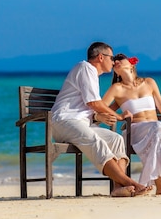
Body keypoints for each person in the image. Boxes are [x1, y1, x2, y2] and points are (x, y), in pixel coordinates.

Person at [50, 42, 151, 197]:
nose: (113, 62)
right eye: (111, 58)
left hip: (80, 123)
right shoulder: (85, 68)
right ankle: (131, 183)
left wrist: (97, 116)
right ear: (100, 57)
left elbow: (86, 108)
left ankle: (118, 187)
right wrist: (118, 116)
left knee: (116, 139)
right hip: (64, 121)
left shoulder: (92, 75)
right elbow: (94, 103)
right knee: (94, 140)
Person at [102, 54, 161, 195]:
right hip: (134, 131)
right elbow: (101, 107)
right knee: (158, 127)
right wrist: (118, 117)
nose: (115, 61)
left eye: (119, 58)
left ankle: (160, 187)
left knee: (157, 130)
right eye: (114, 60)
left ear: (131, 64)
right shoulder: (116, 88)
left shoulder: (149, 82)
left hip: (155, 130)